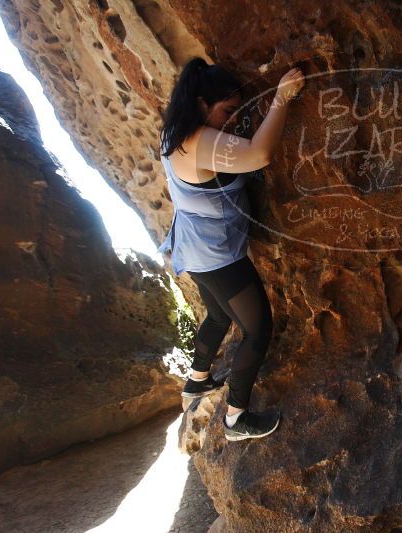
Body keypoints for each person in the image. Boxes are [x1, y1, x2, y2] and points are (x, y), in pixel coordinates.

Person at [157, 57, 305, 441]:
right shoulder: (200, 141)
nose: (231, 119)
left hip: (192, 246)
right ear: (202, 104)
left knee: (219, 316)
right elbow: (259, 154)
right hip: (217, 255)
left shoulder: (174, 133)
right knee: (258, 328)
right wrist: (282, 100)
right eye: (226, 110)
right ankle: (237, 419)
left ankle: (197, 381)